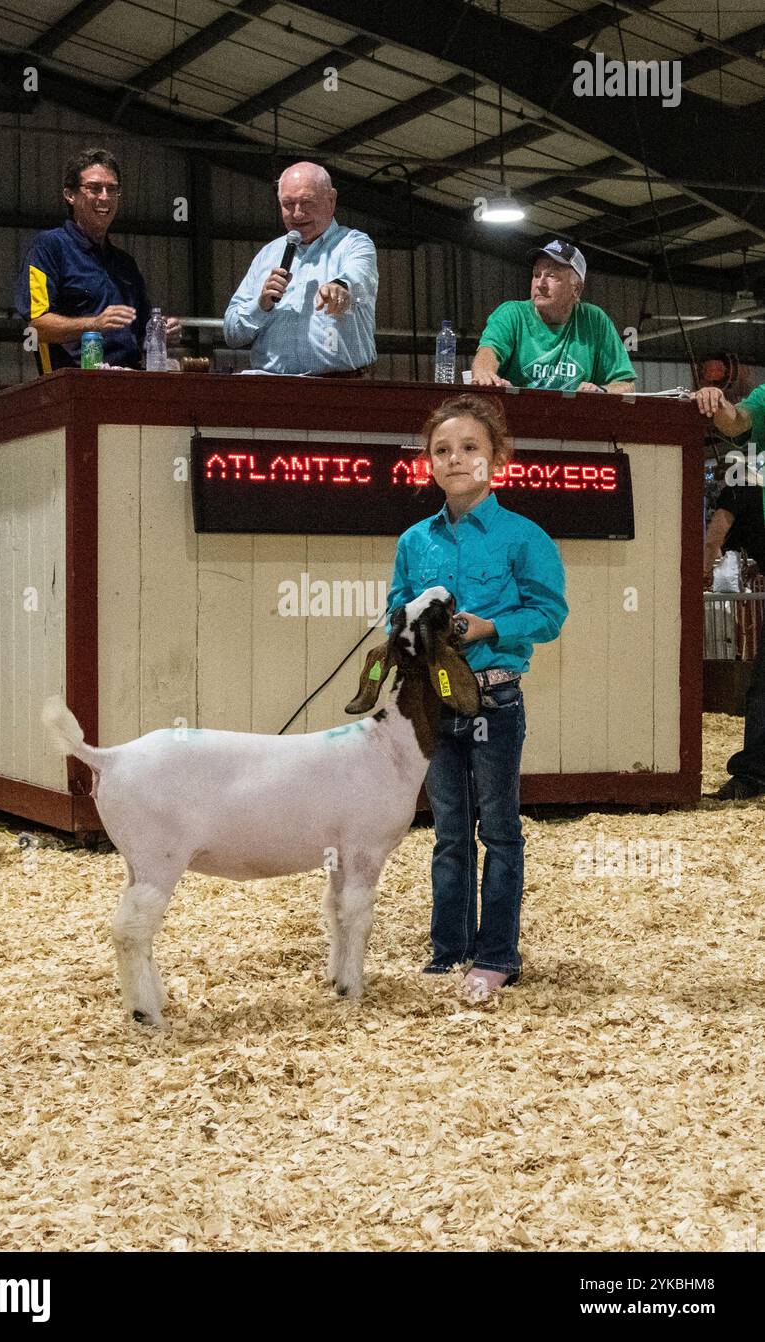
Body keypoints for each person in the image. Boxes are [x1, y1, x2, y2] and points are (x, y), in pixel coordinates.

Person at [386, 394, 568, 1001]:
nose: (455, 459)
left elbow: (549, 614)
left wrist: (490, 628)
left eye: (470, 449)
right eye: (442, 450)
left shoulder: (524, 537)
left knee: (500, 829)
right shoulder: (415, 541)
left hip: (495, 700)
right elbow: (395, 609)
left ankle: (496, 953)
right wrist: (411, 623)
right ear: (428, 462)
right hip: (433, 704)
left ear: (498, 459)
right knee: (448, 829)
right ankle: (449, 948)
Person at [14, 147, 181, 373]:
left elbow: (142, 332)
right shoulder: (49, 247)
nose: (104, 197)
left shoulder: (126, 264)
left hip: (130, 381)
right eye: (94, 188)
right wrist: (94, 324)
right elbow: (37, 326)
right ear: (70, 195)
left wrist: (163, 331)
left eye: (112, 189)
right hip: (73, 386)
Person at [223, 162, 378, 375]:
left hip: (338, 389)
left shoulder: (354, 244)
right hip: (271, 390)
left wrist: (340, 286)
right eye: (288, 204)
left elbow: (359, 278)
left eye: (307, 202)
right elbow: (232, 334)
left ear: (331, 200)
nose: (297, 214)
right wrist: (261, 305)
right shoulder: (268, 255)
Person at [698, 378, 765, 798]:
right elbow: (736, 420)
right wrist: (714, 400)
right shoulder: (745, 478)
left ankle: (753, 774)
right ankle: (754, 773)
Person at [470, 239, 636, 393]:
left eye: (551, 276)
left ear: (576, 289)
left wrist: (602, 391)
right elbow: (488, 353)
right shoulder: (511, 314)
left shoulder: (595, 321)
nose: (540, 284)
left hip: (573, 421)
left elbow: (627, 385)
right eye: (536, 275)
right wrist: (486, 375)